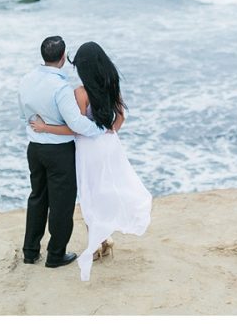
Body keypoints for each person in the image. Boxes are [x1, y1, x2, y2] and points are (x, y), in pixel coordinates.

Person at [30, 41, 152, 281]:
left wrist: (46, 128)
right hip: (110, 145)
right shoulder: (111, 86)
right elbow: (120, 119)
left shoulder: (80, 93)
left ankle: (97, 244)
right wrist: (109, 132)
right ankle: (104, 239)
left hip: (88, 150)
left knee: (89, 195)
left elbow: (76, 129)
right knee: (106, 190)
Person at [17, 35, 105, 268]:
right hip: (59, 152)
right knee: (61, 205)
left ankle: (30, 251)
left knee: (37, 198)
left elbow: (22, 115)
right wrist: (99, 129)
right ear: (64, 57)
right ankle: (55, 255)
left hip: (34, 149)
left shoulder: (26, 80)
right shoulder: (61, 87)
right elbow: (76, 124)